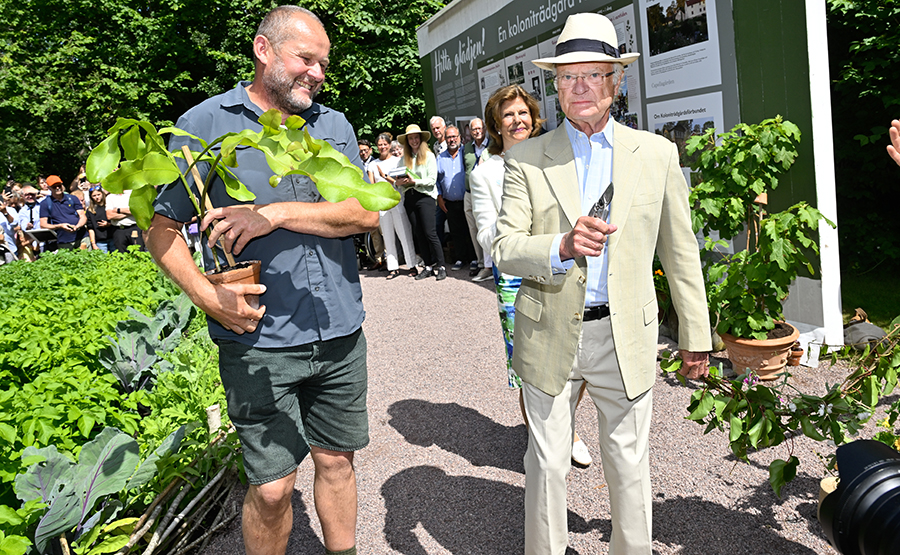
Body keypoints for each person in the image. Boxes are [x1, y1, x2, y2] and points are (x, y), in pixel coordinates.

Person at [144, 6, 378, 555]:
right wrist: (207, 296)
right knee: (272, 490)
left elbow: (363, 213)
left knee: (337, 462)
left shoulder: (333, 126)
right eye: (307, 59)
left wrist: (270, 214)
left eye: (324, 63)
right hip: (258, 339)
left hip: (341, 329)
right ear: (263, 49)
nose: (318, 73)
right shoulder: (205, 125)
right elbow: (161, 229)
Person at [491, 13, 712, 555]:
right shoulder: (525, 159)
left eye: (594, 74)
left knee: (630, 464)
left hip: (625, 334)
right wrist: (561, 246)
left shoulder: (656, 154)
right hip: (548, 334)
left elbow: (680, 251)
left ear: (617, 82)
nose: (581, 86)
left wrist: (696, 334)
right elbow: (503, 249)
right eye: (569, 76)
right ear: (556, 87)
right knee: (546, 464)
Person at [471, 84, 594, 470]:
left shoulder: (556, 156)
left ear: (534, 117)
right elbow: (489, 238)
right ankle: (548, 440)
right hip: (516, 278)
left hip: (568, 267)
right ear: (496, 123)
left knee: (579, 353)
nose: (517, 120)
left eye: (523, 113)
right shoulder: (485, 172)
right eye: (508, 114)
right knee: (531, 367)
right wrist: (526, 236)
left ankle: (566, 422)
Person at [394, 124, 445, 281]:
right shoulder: (404, 159)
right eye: (411, 138)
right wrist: (400, 182)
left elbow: (431, 180)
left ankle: (441, 266)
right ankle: (428, 266)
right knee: (419, 234)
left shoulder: (429, 156)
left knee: (430, 233)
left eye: (416, 137)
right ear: (407, 141)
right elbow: (397, 180)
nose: (414, 141)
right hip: (410, 197)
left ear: (421, 139)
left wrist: (414, 181)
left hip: (425, 197)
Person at [368, 132, 416, 279]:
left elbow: (403, 181)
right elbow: (372, 186)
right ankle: (393, 267)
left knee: (404, 234)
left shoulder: (398, 161)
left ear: (390, 145)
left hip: (397, 200)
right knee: (387, 237)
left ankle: (411, 264)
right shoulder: (372, 164)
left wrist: (388, 179)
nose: (382, 147)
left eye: (385, 144)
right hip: (383, 204)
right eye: (379, 145)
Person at [435, 125, 476, 272]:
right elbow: (437, 180)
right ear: (445, 140)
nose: (452, 140)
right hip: (449, 202)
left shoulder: (466, 153)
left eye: (454, 136)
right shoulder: (440, 158)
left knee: (469, 230)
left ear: (459, 137)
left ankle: (473, 258)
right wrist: (439, 197)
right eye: (449, 137)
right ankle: (460, 258)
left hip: (465, 198)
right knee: (455, 231)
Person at [463, 117, 492, 281]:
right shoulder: (467, 148)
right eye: (474, 129)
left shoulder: (493, 145)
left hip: (487, 193)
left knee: (486, 226)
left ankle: (491, 265)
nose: (477, 131)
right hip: (469, 193)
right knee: (474, 229)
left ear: (485, 128)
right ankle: (482, 263)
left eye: (479, 128)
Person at [39, 175, 86, 250]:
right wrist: (60, 226)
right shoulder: (45, 203)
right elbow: (43, 224)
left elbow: (82, 216)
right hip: (64, 240)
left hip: (82, 236)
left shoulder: (73, 198)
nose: (57, 188)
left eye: (59, 185)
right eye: (54, 186)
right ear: (49, 188)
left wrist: (77, 226)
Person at [86, 186, 113, 252]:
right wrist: (93, 244)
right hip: (100, 241)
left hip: (113, 237)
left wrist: (108, 224)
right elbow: (90, 228)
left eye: (98, 194)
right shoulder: (90, 210)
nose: (97, 197)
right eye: (94, 196)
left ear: (102, 194)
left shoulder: (109, 206)